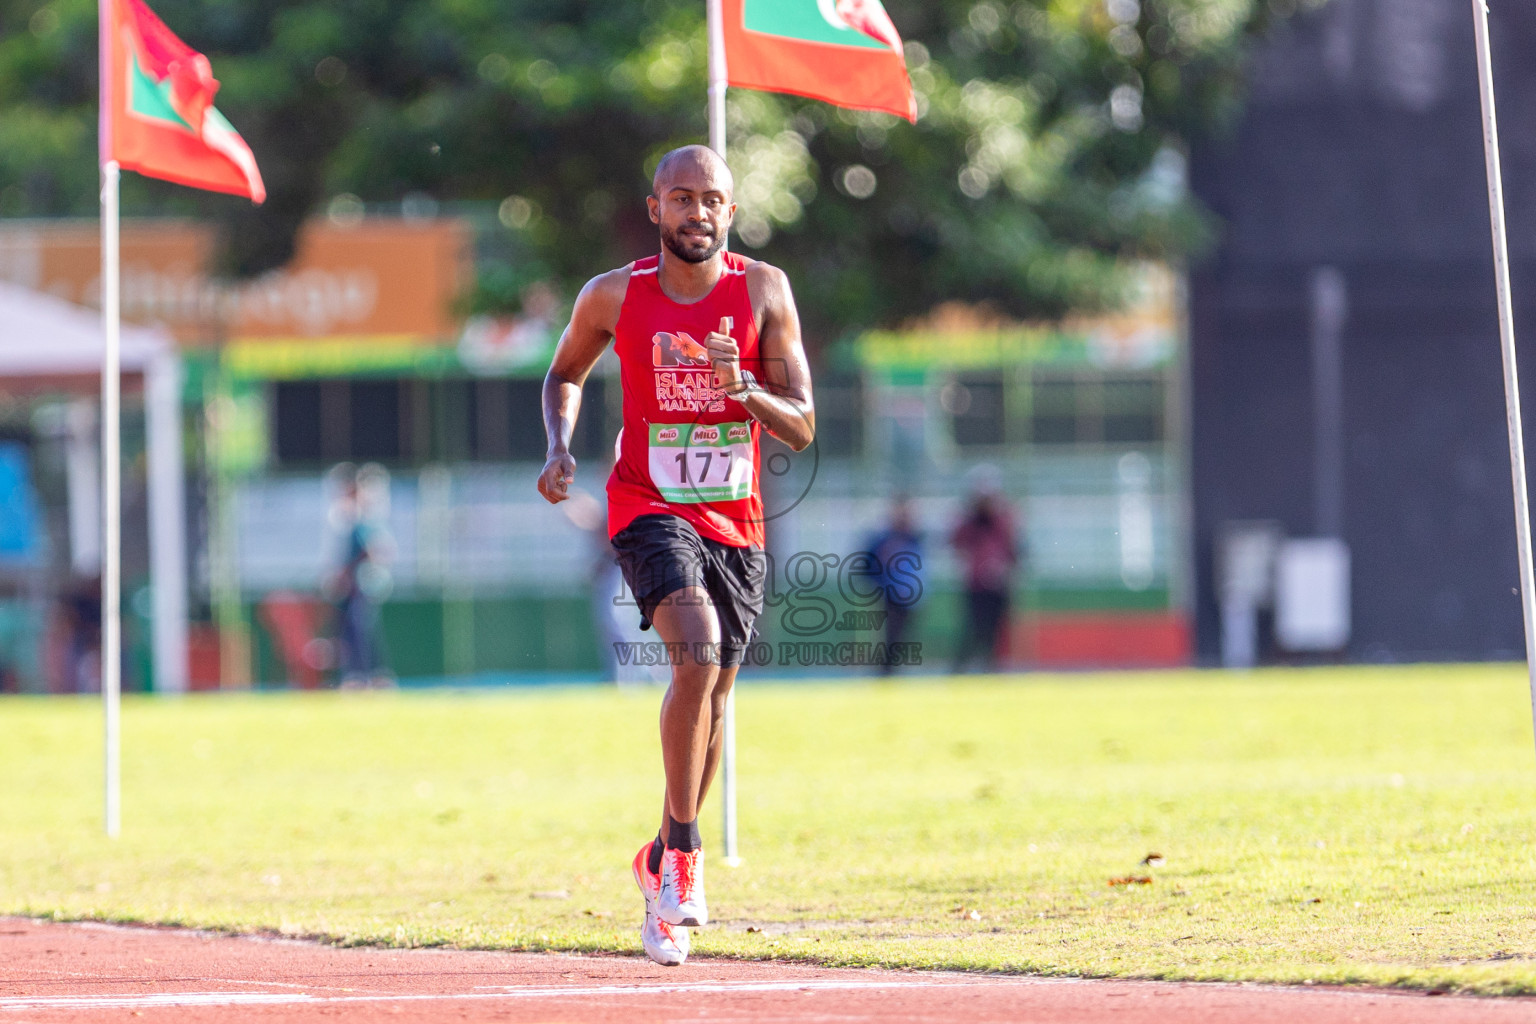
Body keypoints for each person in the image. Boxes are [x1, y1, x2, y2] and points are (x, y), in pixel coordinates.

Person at [537, 145, 815, 966]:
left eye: (714, 201)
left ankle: (658, 859)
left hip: (737, 520)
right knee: (693, 654)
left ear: (731, 212)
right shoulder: (615, 294)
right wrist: (559, 445)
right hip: (648, 504)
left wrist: (746, 390)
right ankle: (686, 857)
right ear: (654, 207)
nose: (699, 212)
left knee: (719, 689)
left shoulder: (763, 291)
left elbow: (800, 422)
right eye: (683, 198)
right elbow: (564, 373)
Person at [950, 465, 1020, 673]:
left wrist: (1006, 570)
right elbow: (956, 541)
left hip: (998, 584)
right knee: (973, 628)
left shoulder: (1004, 518)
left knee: (996, 629)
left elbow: (1013, 548)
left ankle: (991, 667)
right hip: (976, 583)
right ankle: (962, 668)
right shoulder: (969, 520)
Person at [861, 496, 923, 675]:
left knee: (903, 638)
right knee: (891, 636)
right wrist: (881, 584)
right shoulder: (884, 540)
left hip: (912, 597)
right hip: (891, 595)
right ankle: (886, 672)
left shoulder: (914, 538)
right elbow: (867, 566)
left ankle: (893, 670)